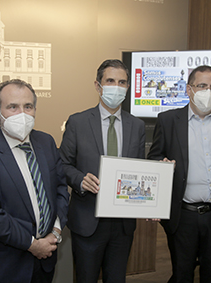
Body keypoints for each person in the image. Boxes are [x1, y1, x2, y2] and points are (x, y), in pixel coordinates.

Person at [147, 65, 211, 283]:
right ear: (188, 89)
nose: (208, 92)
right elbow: (154, 159)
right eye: (202, 86)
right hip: (182, 216)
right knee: (182, 274)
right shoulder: (167, 121)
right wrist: (161, 164)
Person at [0, 79, 70, 283]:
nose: (22, 114)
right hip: (4, 267)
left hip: (45, 260)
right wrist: (33, 244)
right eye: (13, 107)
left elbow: (60, 189)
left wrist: (55, 232)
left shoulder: (46, 142)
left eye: (28, 106)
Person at [59, 59, 146, 283]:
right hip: (88, 220)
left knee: (116, 279)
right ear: (98, 86)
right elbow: (62, 164)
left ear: (127, 88)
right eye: (110, 81)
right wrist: (79, 180)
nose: (116, 87)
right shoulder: (77, 122)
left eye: (122, 82)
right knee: (86, 278)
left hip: (123, 224)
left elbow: (141, 169)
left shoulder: (137, 126)